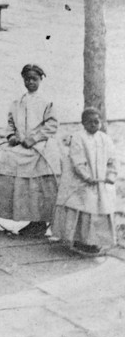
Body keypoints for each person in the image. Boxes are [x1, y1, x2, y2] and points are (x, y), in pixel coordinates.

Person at [0, 64, 61, 237]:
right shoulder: (18, 102)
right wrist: (11, 136)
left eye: (34, 79)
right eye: (27, 79)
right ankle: (27, 217)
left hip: (40, 147)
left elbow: (52, 125)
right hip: (21, 146)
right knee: (9, 165)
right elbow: (10, 122)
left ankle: (40, 221)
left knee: (38, 184)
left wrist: (34, 138)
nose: (31, 82)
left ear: (41, 80)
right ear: (23, 79)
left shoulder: (46, 101)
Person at [53, 108, 117, 254]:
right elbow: (77, 159)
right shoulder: (78, 137)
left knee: (99, 208)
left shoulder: (105, 139)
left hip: (100, 181)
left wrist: (111, 175)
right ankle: (80, 240)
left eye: (97, 121)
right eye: (90, 122)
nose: (93, 125)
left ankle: (95, 241)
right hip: (83, 181)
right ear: (83, 123)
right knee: (82, 208)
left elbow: (112, 159)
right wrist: (87, 176)